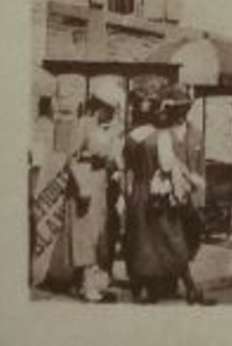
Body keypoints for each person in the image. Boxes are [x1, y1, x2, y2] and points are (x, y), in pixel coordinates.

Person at [124, 82, 212, 305]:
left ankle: (143, 290)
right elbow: (166, 166)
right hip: (158, 195)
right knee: (172, 240)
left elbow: (124, 164)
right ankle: (190, 288)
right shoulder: (161, 137)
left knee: (142, 241)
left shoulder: (132, 136)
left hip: (138, 192)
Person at [66, 80, 123, 302]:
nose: (112, 114)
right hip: (85, 180)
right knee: (85, 233)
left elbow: (111, 158)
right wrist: (81, 185)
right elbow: (71, 158)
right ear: (100, 107)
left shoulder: (108, 128)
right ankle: (87, 285)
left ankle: (79, 283)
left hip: (101, 182)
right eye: (110, 109)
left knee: (98, 232)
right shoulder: (84, 125)